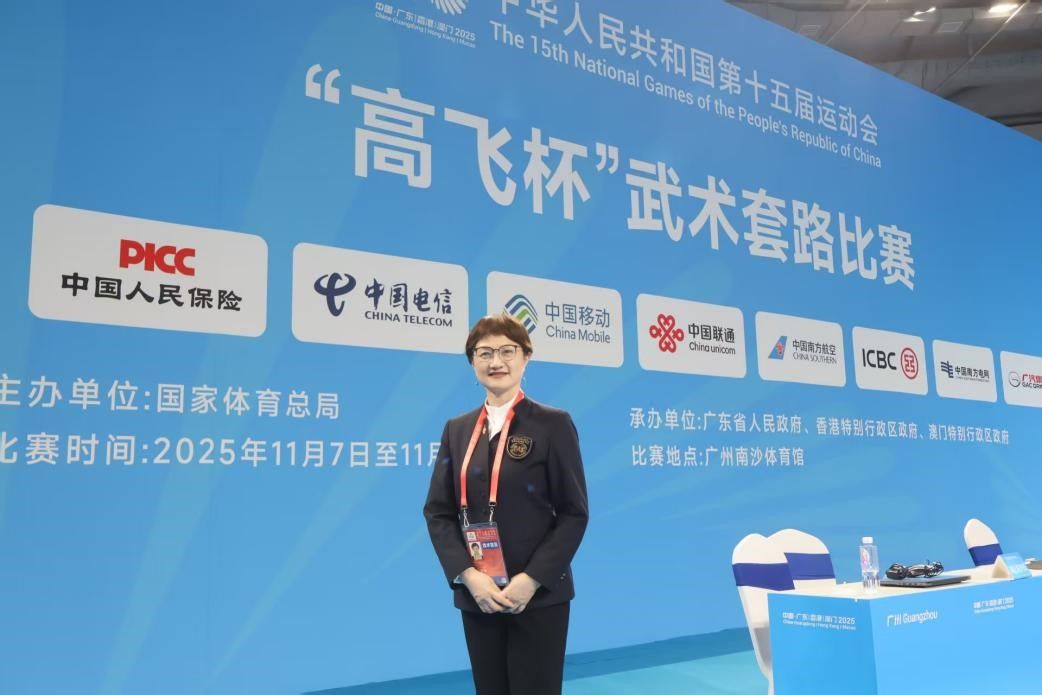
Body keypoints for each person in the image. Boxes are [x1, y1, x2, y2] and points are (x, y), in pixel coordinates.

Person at [424, 314, 589, 695]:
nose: (495, 361)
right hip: (479, 594)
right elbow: (438, 511)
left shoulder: (553, 424)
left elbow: (574, 513)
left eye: (506, 351)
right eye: (484, 353)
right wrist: (468, 575)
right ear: (472, 362)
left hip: (538, 595)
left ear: (526, 356)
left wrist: (531, 580)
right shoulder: (457, 429)